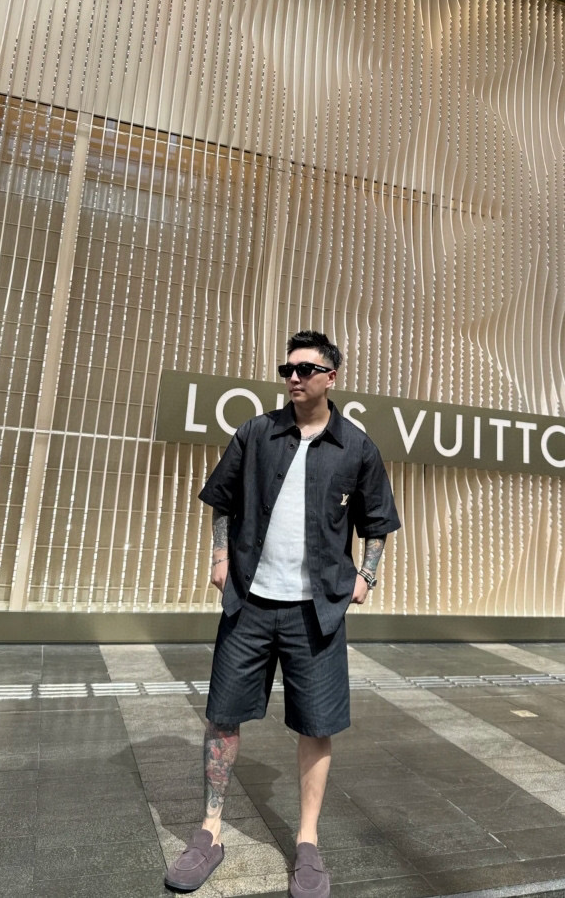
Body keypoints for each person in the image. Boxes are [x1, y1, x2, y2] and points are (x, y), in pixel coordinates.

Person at [164, 330, 400, 897]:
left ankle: (308, 843)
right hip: (249, 603)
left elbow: (378, 522)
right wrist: (220, 557)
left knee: (317, 726)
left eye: (305, 369)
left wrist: (367, 576)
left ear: (330, 377)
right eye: (287, 369)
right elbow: (222, 500)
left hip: (316, 613)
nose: (293, 377)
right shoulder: (256, 433)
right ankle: (209, 832)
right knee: (222, 716)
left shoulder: (357, 447)